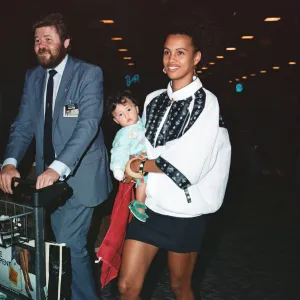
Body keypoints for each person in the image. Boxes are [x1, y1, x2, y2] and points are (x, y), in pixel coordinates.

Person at [0, 13, 112, 300]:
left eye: (48, 39)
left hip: (80, 175)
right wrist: (10, 162)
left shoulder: (88, 73)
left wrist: (56, 168)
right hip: (48, 182)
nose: (41, 45)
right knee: (61, 247)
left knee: (69, 244)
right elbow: (24, 124)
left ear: (66, 43)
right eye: (37, 40)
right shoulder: (33, 77)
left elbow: (88, 124)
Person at [118, 30, 231, 300]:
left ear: (196, 58)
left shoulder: (207, 102)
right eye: (167, 52)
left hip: (184, 212)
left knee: (180, 287)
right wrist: (127, 162)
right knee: (126, 287)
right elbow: (142, 144)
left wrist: (141, 165)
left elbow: (190, 162)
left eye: (181, 52)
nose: (172, 58)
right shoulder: (152, 99)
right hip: (148, 208)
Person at [107, 91, 148, 222]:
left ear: (137, 108)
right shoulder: (123, 134)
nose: (126, 115)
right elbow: (118, 151)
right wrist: (117, 169)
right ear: (116, 120)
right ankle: (139, 204)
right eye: (120, 114)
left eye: (129, 109)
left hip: (150, 158)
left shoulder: (143, 124)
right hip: (137, 161)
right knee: (143, 181)